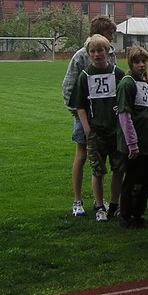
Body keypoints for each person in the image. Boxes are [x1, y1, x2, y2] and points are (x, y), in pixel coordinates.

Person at [61, 15, 117, 217]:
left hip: (105, 118)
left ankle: (98, 200)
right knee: (82, 155)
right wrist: (78, 116)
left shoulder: (111, 54)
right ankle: (77, 200)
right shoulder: (80, 56)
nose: (112, 37)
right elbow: (68, 87)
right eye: (110, 33)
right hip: (84, 116)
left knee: (101, 158)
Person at [68, 33, 126, 222]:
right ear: (89, 54)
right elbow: (79, 105)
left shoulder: (117, 74)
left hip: (115, 131)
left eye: (100, 50)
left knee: (119, 168)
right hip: (96, 131)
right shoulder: (85, 76)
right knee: (97, 170)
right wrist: (87, 129)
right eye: (93, 51)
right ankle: (99, 205)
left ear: (107, 51)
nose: (97, 54)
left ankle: (115, 204)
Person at [116, 47, 148, 229]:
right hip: (134, 145)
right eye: (137, 62)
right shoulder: (127, 84)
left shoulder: (146, 83)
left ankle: (138, 214)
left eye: (144, 61)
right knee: (132, 181)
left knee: (147, 181)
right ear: (130, 64)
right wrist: (132, 144)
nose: (141, 65)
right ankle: (126, 216)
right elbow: (124, 115)